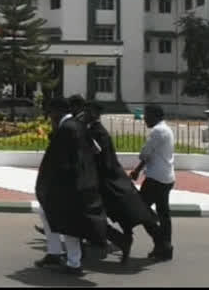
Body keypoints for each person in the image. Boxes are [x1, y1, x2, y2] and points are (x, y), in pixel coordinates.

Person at [84, 101, 166, 264]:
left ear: (95, 113)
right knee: (126, 214)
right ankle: (117, 240)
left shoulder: (97, 133)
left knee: (120, 214)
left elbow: (101, 160)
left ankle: (123, 240)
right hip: (111, 180)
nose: (85, 114)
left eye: (88, 112)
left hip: (107, 182)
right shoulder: (94, 131)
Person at [34, 96, 107, 275]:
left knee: (68, 223)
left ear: (58, 111)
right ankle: (54, 253)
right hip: (80, 182)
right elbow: (95, 149)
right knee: (47, 214)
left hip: (68, 185)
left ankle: (73, 263)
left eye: (50, 112)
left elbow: (58, 161)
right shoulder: (78, 125)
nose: (49, 116)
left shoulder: (66, 128)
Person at [130, 104, 175, 261]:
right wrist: (138, 170)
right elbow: (149, 155)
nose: (145, 119)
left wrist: (136, 171)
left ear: (156, 116)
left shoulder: (157, 131)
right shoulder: (167, 129)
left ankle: (161, 243)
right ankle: (166, 247)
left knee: (141, 211)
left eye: (147, 115)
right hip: (167, 177)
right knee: (164, 214)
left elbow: (145, 154)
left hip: (155, 179)